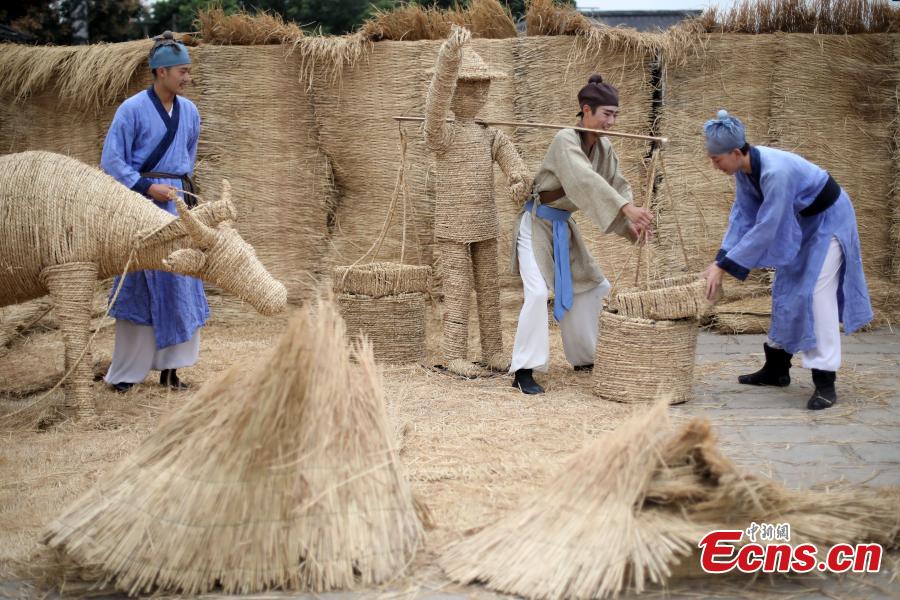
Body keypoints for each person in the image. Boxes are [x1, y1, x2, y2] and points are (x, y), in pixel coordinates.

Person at [701, 109, 873, 410]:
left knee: (815, 295)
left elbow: (768, 226)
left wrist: (723, 267)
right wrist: (721, 258)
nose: (714, 166)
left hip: (829, 219)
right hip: (803, 221)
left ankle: (825, 380)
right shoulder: (744, 170)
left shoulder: (775, 172)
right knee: (785, 288)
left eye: (716, 160)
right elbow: (742, 216)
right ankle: (777, 368)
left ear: (736, 152)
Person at [509, 74, 653, 395]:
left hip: (563, 227)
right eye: (606, 114)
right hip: (536, 225)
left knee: (592, 286)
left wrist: (634, 226)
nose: (611, 122)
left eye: (616, 115)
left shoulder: (604, 147)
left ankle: (584, 356)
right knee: (535, 293)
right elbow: (583, 180)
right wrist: (626, 210)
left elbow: (618, 184)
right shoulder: (565, 140)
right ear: (586, 111)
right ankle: (524, 369)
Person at [101, 31, 208, 392]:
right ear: (161, 72)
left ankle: (171, 369)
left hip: (176, 207)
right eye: (182, 71)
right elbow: (112, 160)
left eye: (188, 70)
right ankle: (127, 375)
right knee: (137, 284)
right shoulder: (131, 109)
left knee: (180, 282)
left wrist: (176, 187)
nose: (187, 77)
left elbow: (187, 158)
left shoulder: (190, 112)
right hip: (139, 207)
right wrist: (147, 186)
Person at [424, 26, 530, 378]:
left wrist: (519, 180)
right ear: (454, 87)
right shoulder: (442, 133)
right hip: (453, 226)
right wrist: (448, 58)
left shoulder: (490, 134)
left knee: (488, 289)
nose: (476, 91)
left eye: (481, 84)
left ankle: (493, 350)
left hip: (485, 223)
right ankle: (454, 353)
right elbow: (435, 103)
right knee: (456, 289)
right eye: (467, 84)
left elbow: (513, 162)